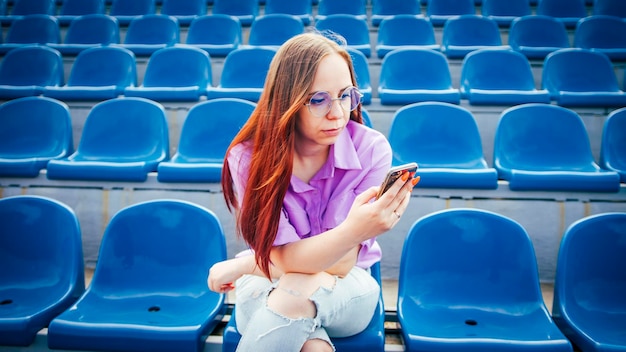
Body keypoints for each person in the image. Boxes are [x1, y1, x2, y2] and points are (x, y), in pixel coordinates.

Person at [207, 31, 419, 352]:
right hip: (265, 280)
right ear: (286, 101)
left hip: (350, 286)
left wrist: (247, 264)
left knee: (294, 288)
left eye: (346, 95)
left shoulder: (371, 149)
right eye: (318, 99)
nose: (337, 113)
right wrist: (352, 230)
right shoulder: (247, 158)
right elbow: (290, 256)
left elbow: (342, 264)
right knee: (308, 342)